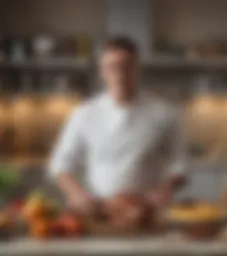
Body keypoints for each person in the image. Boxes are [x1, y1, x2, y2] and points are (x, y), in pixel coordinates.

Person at [49, 36, 187, 213]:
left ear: (137, 69)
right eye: (111, 67)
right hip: (99, 210)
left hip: (147, 211)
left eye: (126, 67)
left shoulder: (164, 113)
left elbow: (180, 165)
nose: (119, 74)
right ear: (102, 72)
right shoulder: (84, 113)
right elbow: (60, 165)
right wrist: (78, 195)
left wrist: (165, 190)